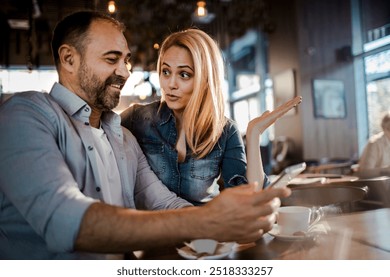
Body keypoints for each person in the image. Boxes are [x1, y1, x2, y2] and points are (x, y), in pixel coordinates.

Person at [0, 11, 291, 260]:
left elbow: (165, 204)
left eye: (126, 60)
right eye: (112, 59)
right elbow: (65, 220)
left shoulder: (122, 138)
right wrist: (208, 220)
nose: (125, 73)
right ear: (69, 59)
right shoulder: (27, 115)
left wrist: (224, 223)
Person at [121, 28, 302, 204]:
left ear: (205, 79)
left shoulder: (225, 131)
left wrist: (254, 135)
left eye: (184, 75)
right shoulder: (138, 118)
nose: (171, 84)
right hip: (153, 231)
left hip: (205, 231)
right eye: (166, 72)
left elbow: (249, 198)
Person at [358, 112, 390, 177]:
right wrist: (387, 170)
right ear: (386, 128)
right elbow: (365, 172)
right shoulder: (375, 143)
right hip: (373, 185)